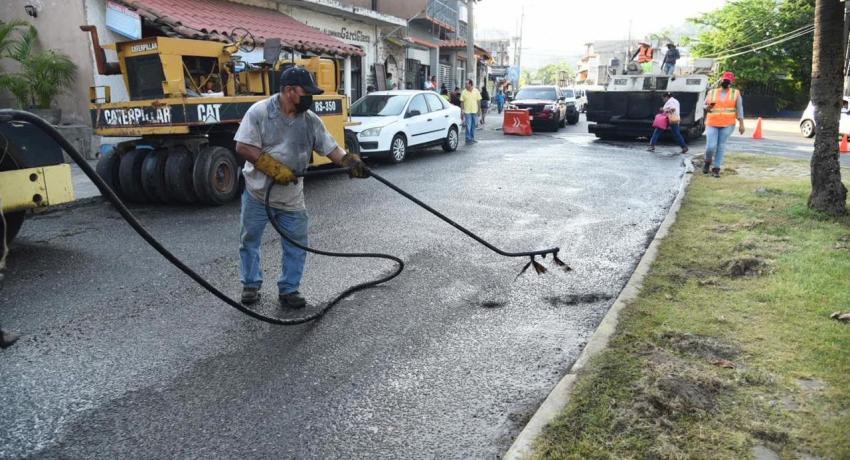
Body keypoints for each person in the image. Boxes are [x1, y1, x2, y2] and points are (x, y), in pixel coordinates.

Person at [234, 66, 368, 308]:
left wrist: (350, 162)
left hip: (291, 197)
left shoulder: (309, 120)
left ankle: (289, 289)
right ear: (288, 91)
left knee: (296, 242)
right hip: (258, 192)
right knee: (250, 239)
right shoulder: (260, 112)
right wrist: (272, 168)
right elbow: (243, 146)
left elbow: (331, 149)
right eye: (306, 92)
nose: (310, 97)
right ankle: (251, 285)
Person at [703, 71, 745, 178]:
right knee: (710, 146)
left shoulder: (735, 93)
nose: (726, 82)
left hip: (728, 123)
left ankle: (716, 168)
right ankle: (707, 161)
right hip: (712, 122)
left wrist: (741, 124)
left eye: (728, 80)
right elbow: (705, 106)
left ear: (731, 82)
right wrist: (707, 107)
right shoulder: (711, 92)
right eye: (725, 80)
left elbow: (740, 109)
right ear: (721, 80)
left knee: (721, 145)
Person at [460, 79, 482, 144]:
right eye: (465, 84)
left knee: (473, 125)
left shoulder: (476, 91)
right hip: (467, 112)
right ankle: (468, 139)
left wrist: (479, 110)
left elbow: (478, 101)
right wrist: (462, 110)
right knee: (468, 125)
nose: (465, 85)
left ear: (470, 84)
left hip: (474, 111)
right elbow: (462, 102)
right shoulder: (463, 92)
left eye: (467, 84)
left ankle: (472, 138)